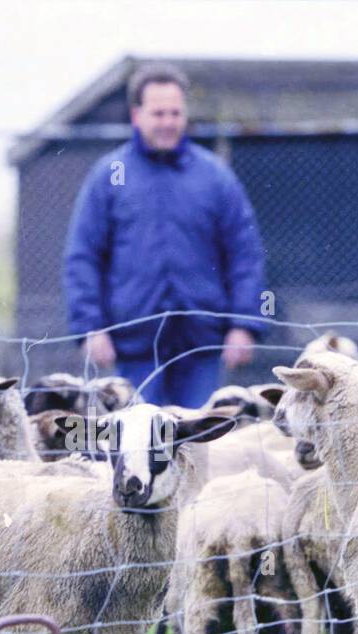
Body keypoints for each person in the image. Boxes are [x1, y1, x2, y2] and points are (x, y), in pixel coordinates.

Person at [62, 63, 268, 408]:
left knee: (198, 442)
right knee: (140, 446)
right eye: (159, 113)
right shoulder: (111, 176)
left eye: (176, 113)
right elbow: (83, 256)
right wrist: (90, 328)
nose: (169, 122)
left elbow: (245, 254)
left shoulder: (215, 177)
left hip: (201, 343)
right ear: (136, 115)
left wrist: (244, 324)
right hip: (134, 346)